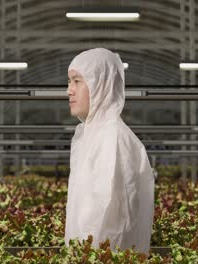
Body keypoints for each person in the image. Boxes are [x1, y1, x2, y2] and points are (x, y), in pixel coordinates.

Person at [64, 48, 155, 254]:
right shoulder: (88, 135)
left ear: (100, 85)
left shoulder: (113, 140)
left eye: (77, 81)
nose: (69, 90)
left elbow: (114, 228)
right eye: (69, 82)